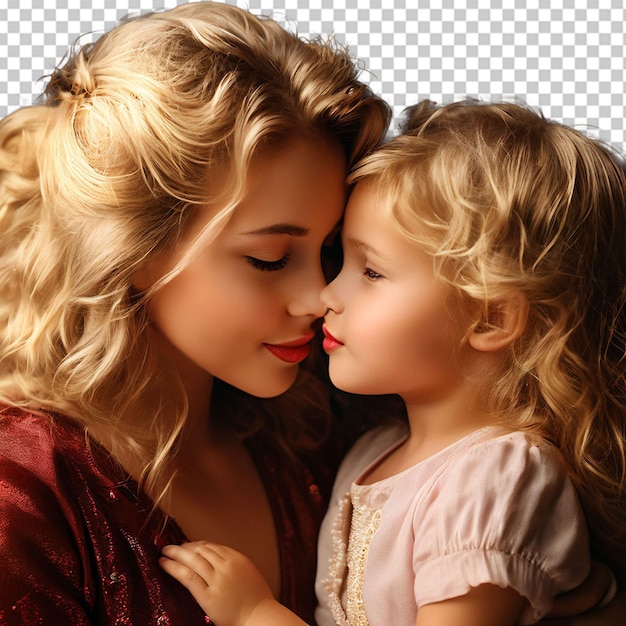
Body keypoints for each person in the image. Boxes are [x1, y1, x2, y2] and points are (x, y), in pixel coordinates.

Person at [159, 100, 626, 626]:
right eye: (343, 260)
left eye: (372, 272)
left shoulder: (496, 477)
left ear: (490, 319)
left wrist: (255, 615)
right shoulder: (372, 452)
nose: (327, 294)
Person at [0, 3, 391, 624]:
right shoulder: (23, 492)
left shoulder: (330, 433)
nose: (320, 296)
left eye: (332, 249)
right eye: (268, 258)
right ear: (134, 249)